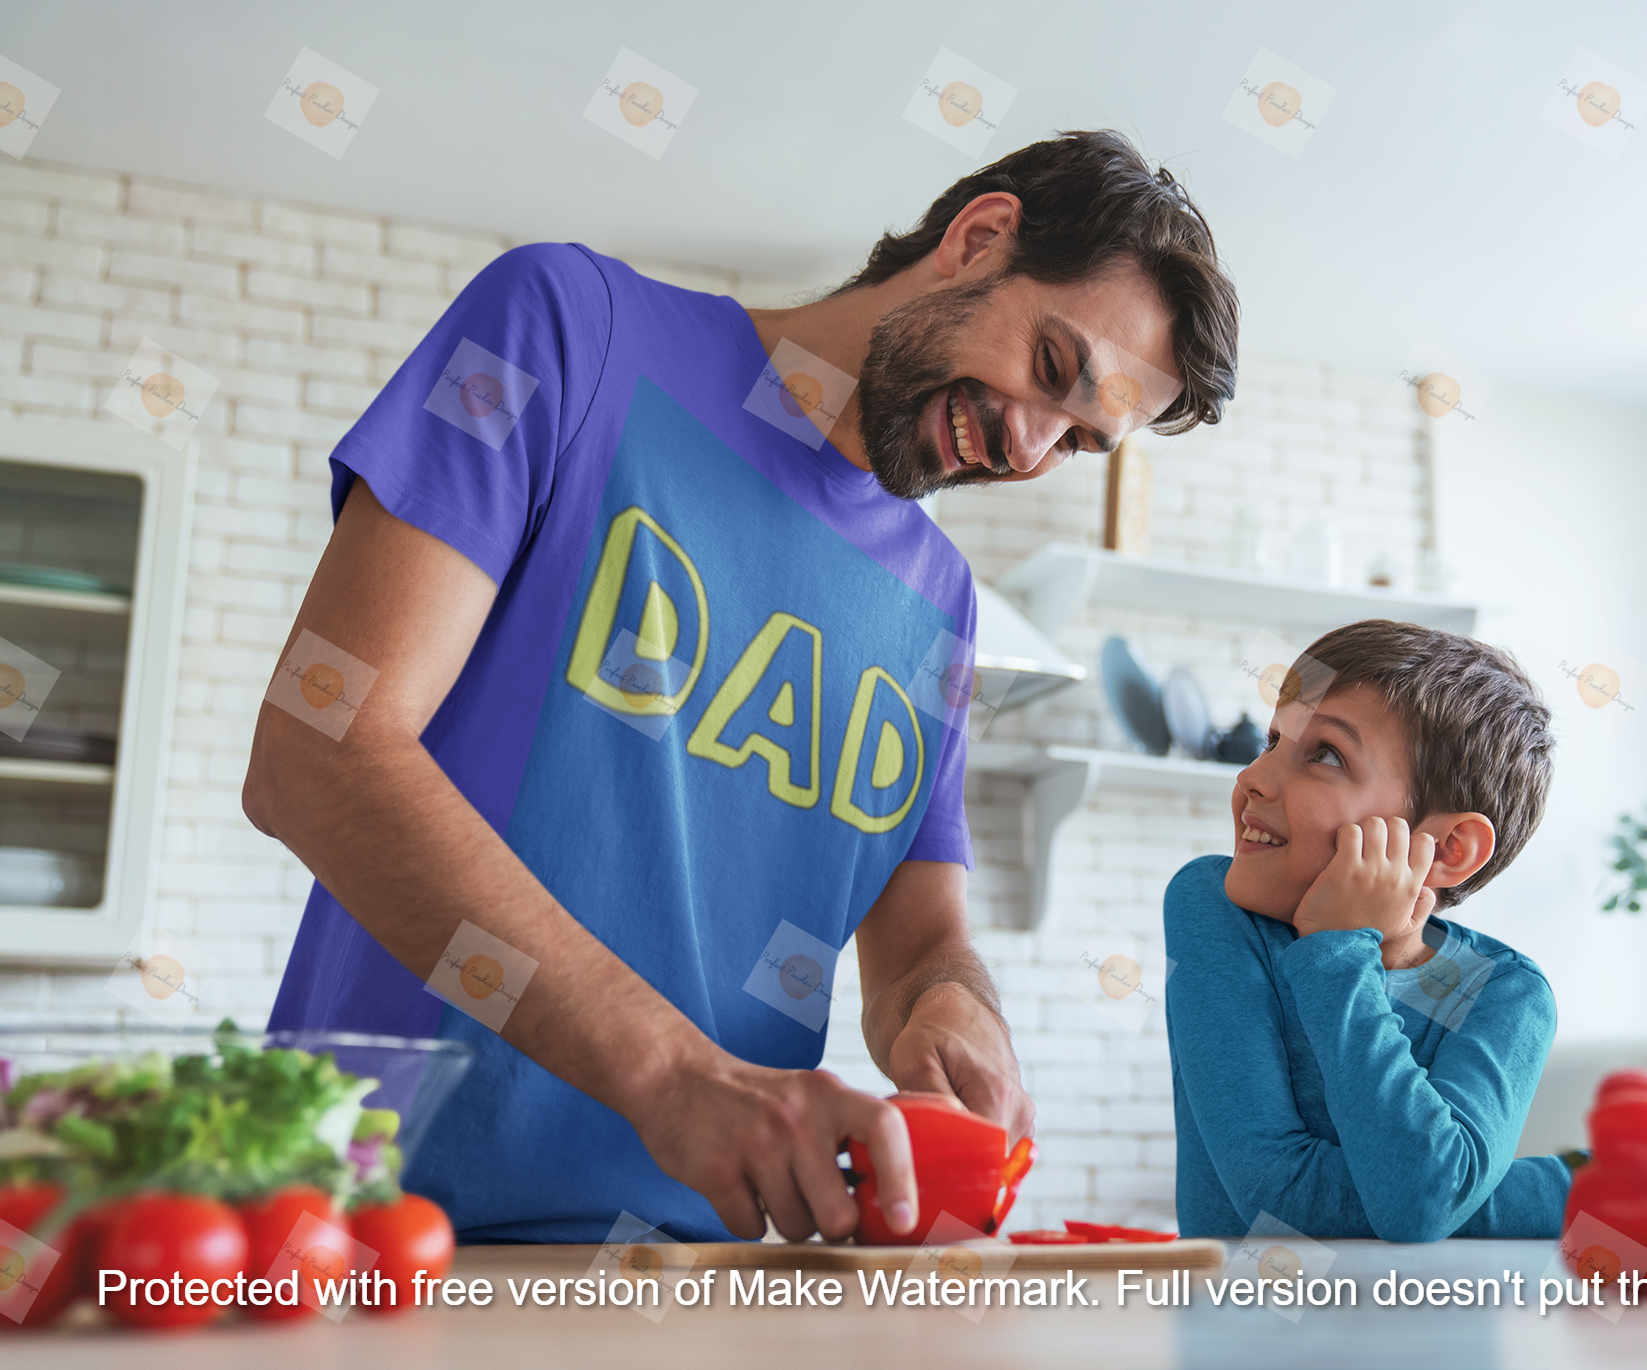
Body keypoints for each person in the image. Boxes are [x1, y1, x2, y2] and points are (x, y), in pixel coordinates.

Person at [243, 130, 1241, 1245]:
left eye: (1080, 440)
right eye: (1050, 368)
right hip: (369, 1232)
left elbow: (915, 946)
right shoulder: (570, 328)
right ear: (979, 238)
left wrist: (957, 1006)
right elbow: (318, 748)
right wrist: (673, 1073)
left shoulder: (943, 603)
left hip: (704, 1279)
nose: (1027, 444)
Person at [1163, 619, 1571, 1240]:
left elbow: (1425, 1197)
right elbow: (1281, 1196)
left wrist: (1337, 950)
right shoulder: (1214, 909)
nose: (1252, 778)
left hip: (1430, 1328)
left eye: (1325, 754)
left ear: (1447, 848)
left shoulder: (1508, 994)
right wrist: (1556, 1192)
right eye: (1273, 739)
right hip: (1241, 1331)